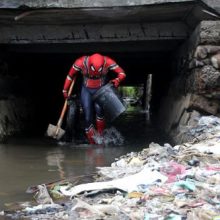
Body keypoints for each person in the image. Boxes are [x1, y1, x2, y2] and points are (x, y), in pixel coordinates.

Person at [62, 53, 126, 144]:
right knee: (87, 116)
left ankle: (100, 139)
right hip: (86, 90)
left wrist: (117, 80)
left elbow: (122, 73)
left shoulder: (108, 61)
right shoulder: (80, 62)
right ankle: (92, 142)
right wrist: (64, 90)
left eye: (99, 70)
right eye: (93, 69)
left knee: (100, 113)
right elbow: (70, 76)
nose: (96, 72)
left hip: (101, 90)